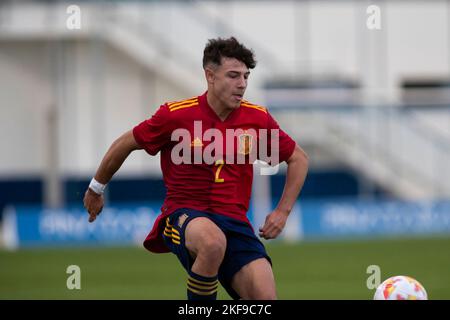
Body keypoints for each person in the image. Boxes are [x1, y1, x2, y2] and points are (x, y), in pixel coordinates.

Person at [83, 37, 309, 300]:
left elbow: (299, 159)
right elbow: (124, 143)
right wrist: (96, 188)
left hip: (235, 224)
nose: (242, 84)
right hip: (183, 215)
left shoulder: (257, 119)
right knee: (212, 243)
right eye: (233, 76)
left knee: (265, 298)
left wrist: (282, 212)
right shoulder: (175, 115)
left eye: (246, 76)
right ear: (210, 76)